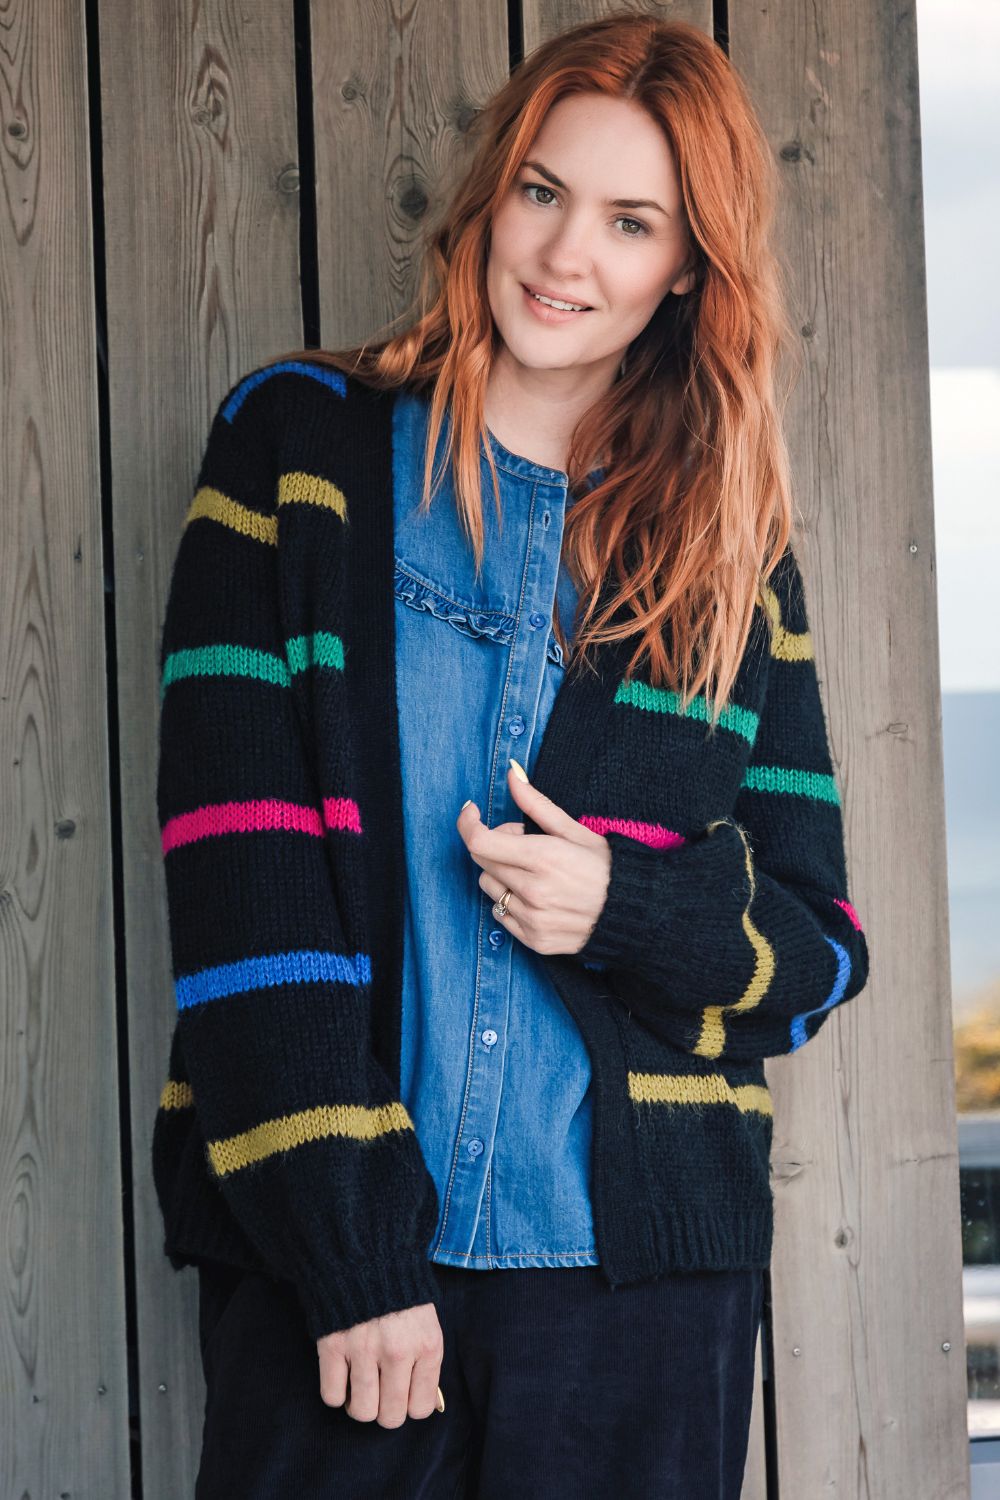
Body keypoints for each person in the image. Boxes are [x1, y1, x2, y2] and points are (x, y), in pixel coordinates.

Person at [152, 12, 871, 1498]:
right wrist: (350, 1255)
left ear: (688, 268)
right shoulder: (297, 456)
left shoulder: (732, 560)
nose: (565, 255)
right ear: (491, 198)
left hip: (641, 1294)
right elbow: (243, 883)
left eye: (631, 222)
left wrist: (628, 910)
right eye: (542, 191)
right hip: (341, 1275)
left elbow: (816, 951)